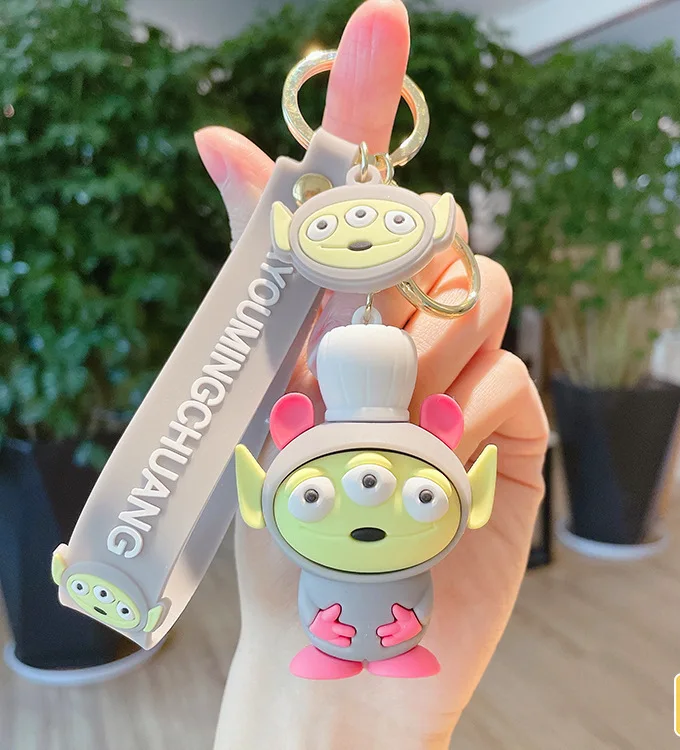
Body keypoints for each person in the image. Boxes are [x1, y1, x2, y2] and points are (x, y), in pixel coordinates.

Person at [194, 1, 548, 747]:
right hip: (327, 627)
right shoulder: (314, 480)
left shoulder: (384, 483)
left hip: (391, 618)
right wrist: (305, 716)